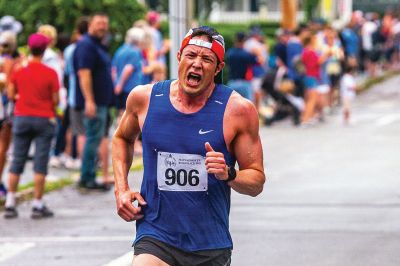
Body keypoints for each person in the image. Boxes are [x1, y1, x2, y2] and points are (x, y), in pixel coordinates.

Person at [112, 26, 266, 265]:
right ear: (179, 58)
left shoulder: (238, 110)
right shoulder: (144, 98)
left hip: (210, 244)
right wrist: (121, 189)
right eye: (191, 55)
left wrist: (229, 174)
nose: (196, 64)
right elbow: (122, 138)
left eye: (206, 59)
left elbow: (256, 181)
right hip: (156, 235)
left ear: (218, 68)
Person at [4, 33, 59, 219]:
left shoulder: (19, 70)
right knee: (40, 162)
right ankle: (37, 204)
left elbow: (11, 93)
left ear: (29, 48)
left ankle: (10, 202)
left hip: (22, 117)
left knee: (17, 160)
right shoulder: (50, 73)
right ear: (44, 50)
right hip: (44, 119)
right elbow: (55, 99)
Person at [73, 13, 113, 190]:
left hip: (102, 102)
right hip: (94, 103)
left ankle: (88, 175)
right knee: (92, 139)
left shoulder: (98, 45)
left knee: (95, 139)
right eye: (98, 23)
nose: (102, 26)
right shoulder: (86, 45)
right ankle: (87, 177)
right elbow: (84, 73)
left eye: (105, 23)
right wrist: (89, 100)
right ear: (90, 25)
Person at [226, 31, 257, 100]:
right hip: (244, 83)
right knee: (249, 106)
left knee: (231, 107)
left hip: (232, 82)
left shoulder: (230, 53)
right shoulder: (246, 54)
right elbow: (257, 62)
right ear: (244, 41)